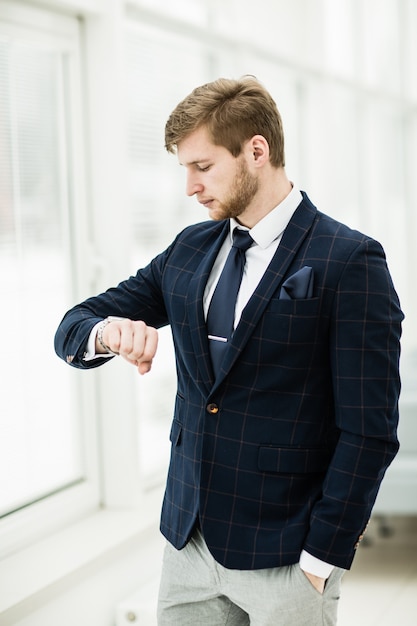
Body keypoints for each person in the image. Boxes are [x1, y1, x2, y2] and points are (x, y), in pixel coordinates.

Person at [55, 76, 403, 625]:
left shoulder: (349, 259)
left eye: (203, 166)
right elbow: (74, 323)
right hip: (187, 546)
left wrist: (321, 560)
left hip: (287, 556)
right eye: (184, 170)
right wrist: (109, 332)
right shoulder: (191, 248)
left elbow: (370, 430)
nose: (190, 188)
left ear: (256, 151)